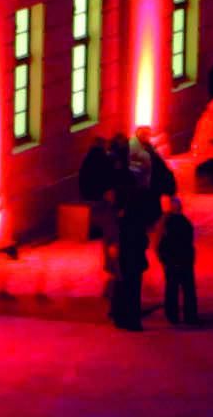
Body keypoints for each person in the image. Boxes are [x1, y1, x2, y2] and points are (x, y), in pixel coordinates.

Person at [75, 125, 155, 329]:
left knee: (121, 279)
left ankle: (120, 313)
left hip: (123, 250)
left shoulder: (117, 205)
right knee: (126, 282)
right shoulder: (125, 203)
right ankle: (126, 316)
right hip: (127, 253)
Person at [142, 128, 204, 327]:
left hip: (172, 260)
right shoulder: (182, 222)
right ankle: (189, 315)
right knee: (187, 287)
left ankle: (173, 315)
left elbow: (159, 242)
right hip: (183, 260)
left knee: (172, 287)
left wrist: (163, 258)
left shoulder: (165, 222)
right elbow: (189, 239)